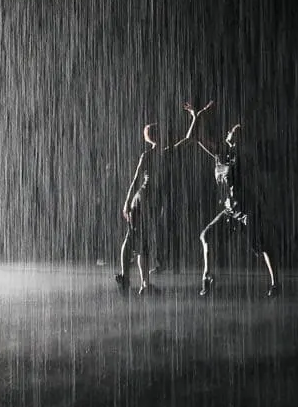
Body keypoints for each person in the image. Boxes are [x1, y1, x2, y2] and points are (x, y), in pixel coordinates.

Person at [116, 101, 214, 295]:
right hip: (146, 202)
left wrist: (127, 202)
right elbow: (190, 138)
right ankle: (131, 280)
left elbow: (135, 180)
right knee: (136, 240)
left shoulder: (150, 155)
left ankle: (136, 282)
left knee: (138, 241)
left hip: (142, 200)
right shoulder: (166, 154)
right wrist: (195, 117)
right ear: (157, 136)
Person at [187, 109, 278, 297]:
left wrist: (263, 204)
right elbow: (194, 138)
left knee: (260, 248)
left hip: (246, 210)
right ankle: (207, 277)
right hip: (229, 210)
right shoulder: (220, 154)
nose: (232, 135)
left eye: (238, 134)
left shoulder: (242, 158)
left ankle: (275, 283)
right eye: (232, 132)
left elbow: (256, 183)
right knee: (206, 235)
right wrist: (197, 115)